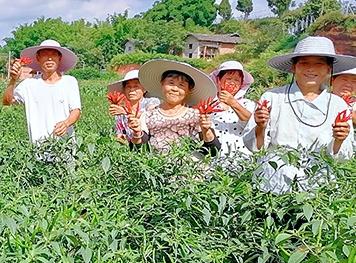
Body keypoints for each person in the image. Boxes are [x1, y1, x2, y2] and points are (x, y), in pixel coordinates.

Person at [243, 36, 356, 194]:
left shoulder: (338, 105)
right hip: (274, 183)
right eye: (304, 63)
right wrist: (260, 127)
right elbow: (255, 147)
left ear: (329, 69)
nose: (311, 69)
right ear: (293, 67)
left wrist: (339, 139)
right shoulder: (272, 98)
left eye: (319, 63)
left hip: (317, 186)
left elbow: (344, 156)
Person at [130, 59, 219, 155]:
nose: (175, 89)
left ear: (189, 90)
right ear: (162, 84)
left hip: (192, 169)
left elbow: (213, 152)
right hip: (159, 168)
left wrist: (206, 131)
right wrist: (136, 133)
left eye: (181, 85)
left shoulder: (197, 116)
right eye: (171, 83)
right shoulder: (148, 116)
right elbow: (139, 152)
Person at [2, 40, 82, 146]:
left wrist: (66, 123)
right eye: (45, 55)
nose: (49, 58)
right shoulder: (29, 84)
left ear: (59, 58)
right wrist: (13, 80)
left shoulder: (69, 82)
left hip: (65, 148)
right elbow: (7, 101)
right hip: (38, 149)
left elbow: (76, 110)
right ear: (38, 58)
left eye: (54, 55)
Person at [208, 61, 256, 157]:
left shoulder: (247, 104)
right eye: (228, 79)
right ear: (218, 80)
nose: (232, 83)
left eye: (237, 80)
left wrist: (233, 103)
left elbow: (252, 124)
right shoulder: (208, 102)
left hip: (241, 157)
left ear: (242, 83)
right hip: (213, 157)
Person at [107, 69, 159, 144]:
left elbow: (152, 114)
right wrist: (121, 138)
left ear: (144, 89)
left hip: (149, 143)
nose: (132, 90)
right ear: (124, 90)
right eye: (128, 86)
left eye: (136, 86)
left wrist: (125, 112)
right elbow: (119, 132)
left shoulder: (151, 101)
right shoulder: (121, 110)